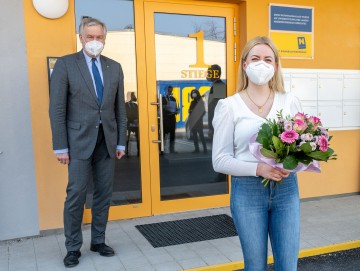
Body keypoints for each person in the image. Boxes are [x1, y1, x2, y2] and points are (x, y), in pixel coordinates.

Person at [212, 36, 302, 271]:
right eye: (255, 58)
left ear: (276, 66)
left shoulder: (289, 101)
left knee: (288, 266)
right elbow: (219, 160)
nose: (261, 64)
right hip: (248, 192)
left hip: (286, 190)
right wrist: (258, 168)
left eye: (267, 59)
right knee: (254, 266)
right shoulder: (229, 106)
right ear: (244, 64)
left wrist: (291, 164)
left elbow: (300, 147)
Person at [49, 17, 127, 268]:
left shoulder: (114, 67)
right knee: (76, 196)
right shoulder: (65, 65)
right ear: (81, 38)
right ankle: (73, 247)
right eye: (90, 37)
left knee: (104, 195)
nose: (95, 41)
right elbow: (57, 109)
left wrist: (121, 142)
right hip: (77, 143)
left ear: (105, 38)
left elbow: (120, 111)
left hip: (107, 141)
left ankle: (98, 241)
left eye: (99, 37)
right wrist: (60, 146)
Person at [206, 64, 226, 140]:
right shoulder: (218, 86)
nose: (207, 75)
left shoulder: (218, 86)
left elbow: (214, 108)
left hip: (218, 125)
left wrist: (211, 127)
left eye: (209, 73)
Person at [188, 89, 207, 153]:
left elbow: (203, 112)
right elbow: (189, 110)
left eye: (194, 93)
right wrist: (191, 112)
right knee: (195, 136)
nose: (193, 94)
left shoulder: (200, 102)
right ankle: (197, 149)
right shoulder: (192, 102)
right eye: (192, 93)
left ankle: (205, 149)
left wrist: (198, 116)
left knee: (201, 135)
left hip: (198, 121)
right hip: (193, 121)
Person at [162, 85, 179, 153]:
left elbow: (175, 107)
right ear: (166, 91)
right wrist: (165, 107)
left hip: (172, 117)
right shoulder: (163, 98)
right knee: (164, 134)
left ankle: (172, 149)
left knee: (172, 134)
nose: (170, 92)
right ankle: (162, 149)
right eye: (169, 90)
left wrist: (176, 111)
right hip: (166, 118)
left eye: (171, 90)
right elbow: (160, 107)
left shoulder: (173, 99)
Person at [125, 92, 139, 157]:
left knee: (138, 138)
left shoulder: (135, 105)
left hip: (136, 124)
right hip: (129, 123)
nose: (134, 97)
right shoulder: (125, 105)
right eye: (133, 95)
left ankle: (139, 151)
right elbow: (125, 114)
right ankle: (127, 151)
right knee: (127, 138)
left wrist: (136, 120)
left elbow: (138, 113)